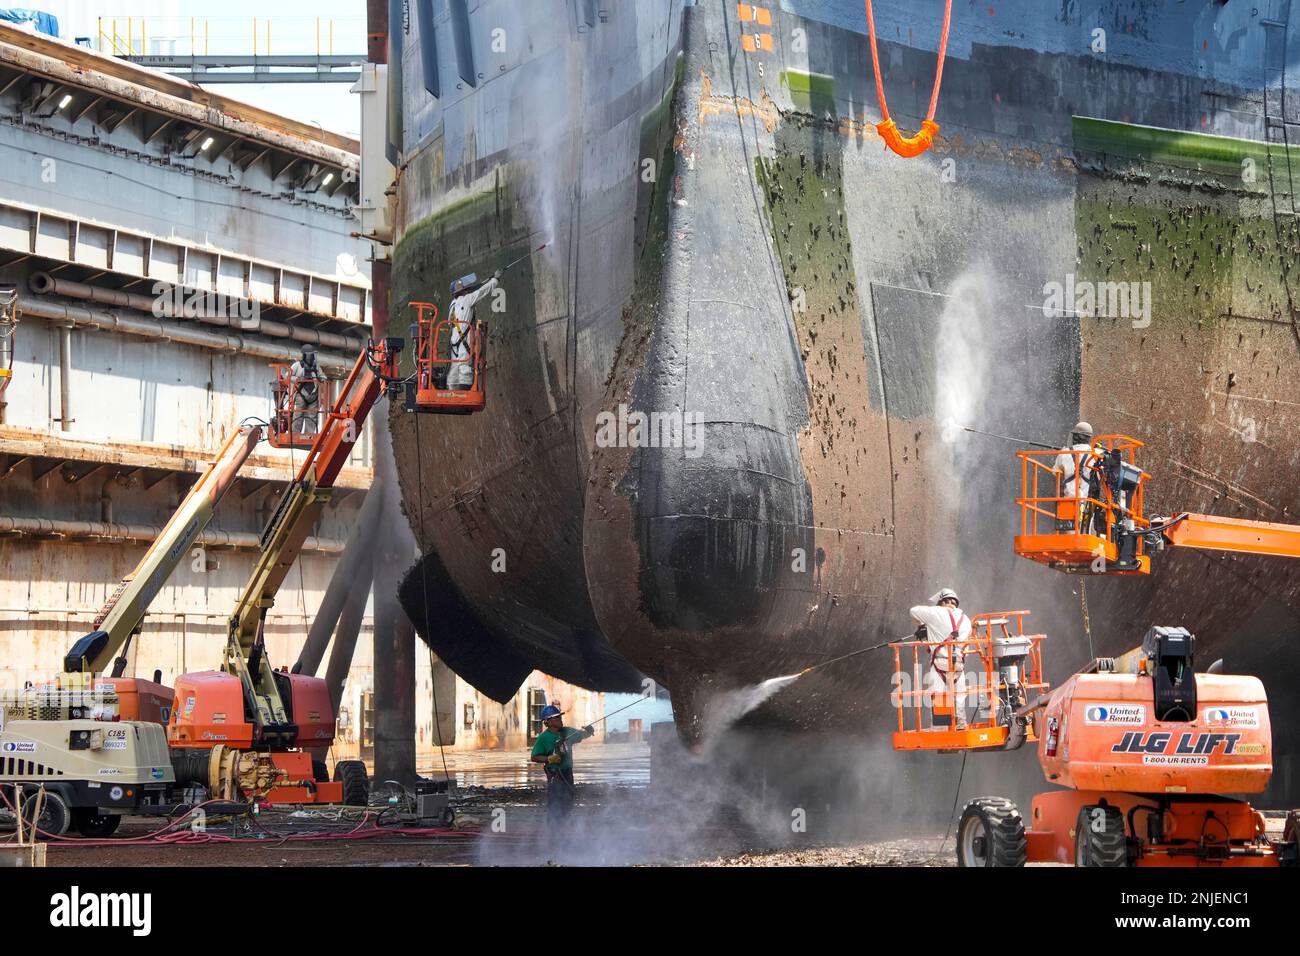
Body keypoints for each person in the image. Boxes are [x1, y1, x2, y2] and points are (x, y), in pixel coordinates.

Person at [909, 588, 971, 730]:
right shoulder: (966, 620)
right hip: (959, 666)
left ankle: (942, 730)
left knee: (939, 697)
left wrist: (922, 626)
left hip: (939, 664)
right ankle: (960, 726)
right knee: (959, 698)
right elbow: (966, 644)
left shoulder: (936, 612)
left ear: (942, 602)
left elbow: (913, 611)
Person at [529, 704, 595, 822]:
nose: (560, 720)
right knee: (555, 803)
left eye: (560, 717)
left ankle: (564, 827)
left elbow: (582, 735)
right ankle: (554, 830)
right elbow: (534, 757)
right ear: (548, 722)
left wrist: (589, 731)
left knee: (568, 802)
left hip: (568, 774)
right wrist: (549, 759)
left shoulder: (568, 732)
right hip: (555, 775)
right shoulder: (544, 738)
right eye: (557, 718)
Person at [446, 270, 501, 391]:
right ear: (464, 291)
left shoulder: (453, 305)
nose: (469, 290)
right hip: (463, 342)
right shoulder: (467, 299)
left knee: (455, 367)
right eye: (467, 289)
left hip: (454, 342)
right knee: (465, 368)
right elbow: (482, 291)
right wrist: (495, 280)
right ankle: (463, 394)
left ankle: (452, 391)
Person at [1054, 420, 1099, 533]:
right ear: (1088, 438)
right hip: (1086, 502)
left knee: (1070, 535)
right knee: (1087, 532)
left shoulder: (1064, 453)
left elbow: (1055, 472)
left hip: (1068, 503)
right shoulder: (1095, 454)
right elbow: (1099, 476)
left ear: (1075, 436)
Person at [289, 343, 325, 436]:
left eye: (312, 354)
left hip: (313, 396)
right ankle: (295, 435)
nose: (311, 357)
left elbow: (323, 376)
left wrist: (321, 379)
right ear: (304, 355)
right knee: (298, 415)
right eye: (309, 354)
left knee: (312, 417)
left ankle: (309, 435)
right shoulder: (297, 365)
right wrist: (297, 379)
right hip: (301, 394)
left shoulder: (316, 366)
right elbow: (287, 376)